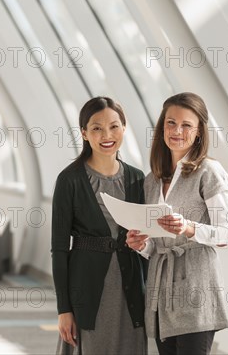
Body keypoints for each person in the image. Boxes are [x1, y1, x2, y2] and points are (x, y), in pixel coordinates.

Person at [126, 92, 228, 355]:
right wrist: (140, 245)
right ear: (162, 127)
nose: (177, 131)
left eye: (187, 125)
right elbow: (157, 246)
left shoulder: (209, 172)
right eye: (171, 123)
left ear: (199, 132)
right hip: (161, 292)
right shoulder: (152, 180)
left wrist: (189, 228)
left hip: (197, 288)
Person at [51, 96, 147, 355]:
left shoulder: (137, 178)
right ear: (84, 133)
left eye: (114, 126)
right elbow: (59, 250)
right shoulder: (69, 180)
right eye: (96, 128)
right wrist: (64, 309)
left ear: (124, 128)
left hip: (131, 292)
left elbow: (146, 242)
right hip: (88, 292)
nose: (107, 134)